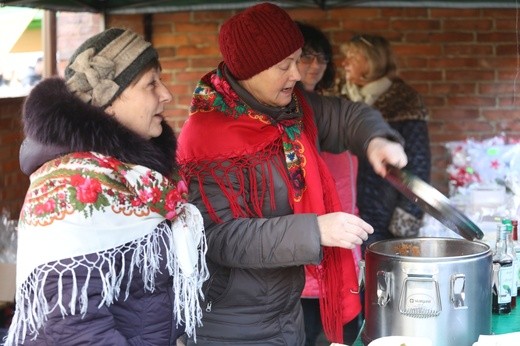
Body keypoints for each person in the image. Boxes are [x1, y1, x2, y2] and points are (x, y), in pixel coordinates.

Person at [177, 3, 407, 345]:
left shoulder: (290, 107)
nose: (297, 74)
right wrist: (313, 230)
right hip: (231, 323)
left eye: (296, 60)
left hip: (284, 311)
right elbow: (218, 237)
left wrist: (375, 141)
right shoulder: (206, 137)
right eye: (284, 65)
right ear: (248, 71)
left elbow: (346, 116)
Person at [5, 28, 208, 346]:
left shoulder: (133, 178)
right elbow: (72, 327)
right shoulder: (70, 191)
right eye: (151, 84)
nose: (166, 94)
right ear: (109, 103)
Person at [296, 22, 362, 346]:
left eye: (321, 58)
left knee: (348, 331)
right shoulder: (284, 116)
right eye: (306, 57)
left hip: (345, 238)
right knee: (308, 332)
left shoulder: (330, 109)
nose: (315, 66)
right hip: (307, 243)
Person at [340, 34, 431, 254]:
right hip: (343, 208)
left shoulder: (403, 100)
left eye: (351, 58)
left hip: (385, 211)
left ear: (371, 62)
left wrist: (407, 214)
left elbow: (418, 162)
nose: (343, 64)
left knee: (378, 277)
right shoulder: (338, 98)